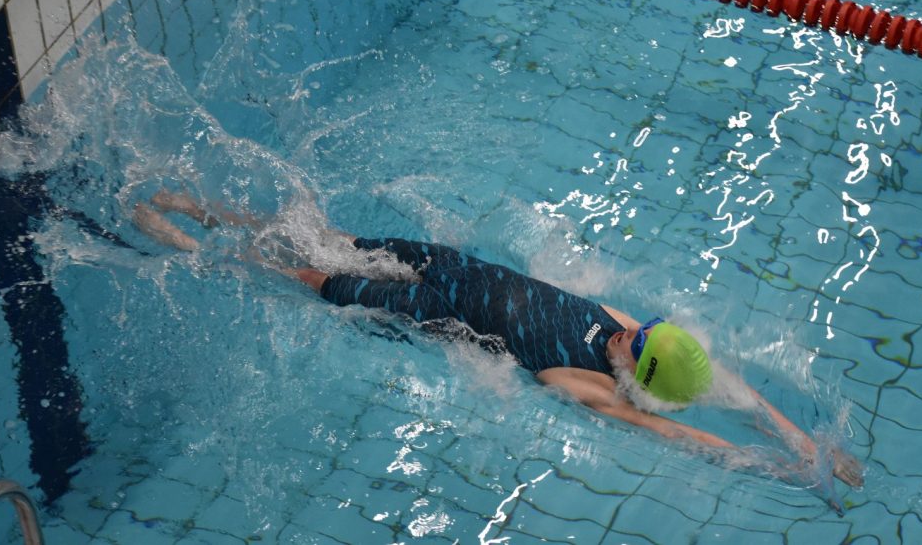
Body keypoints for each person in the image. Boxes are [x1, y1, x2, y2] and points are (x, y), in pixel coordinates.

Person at [134, 190, 863, 490]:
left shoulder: (590, 385)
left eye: (640, 342)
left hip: (434, 304)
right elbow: (735, 389)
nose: (632, 329)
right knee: (332, 240)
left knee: (311, 275)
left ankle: (187, 242)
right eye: (648, 326)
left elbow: (675, 432)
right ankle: (204, 209)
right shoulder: (625, 332)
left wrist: (780, 467)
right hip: (454, 266)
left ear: (636, 376)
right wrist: (800, 438)